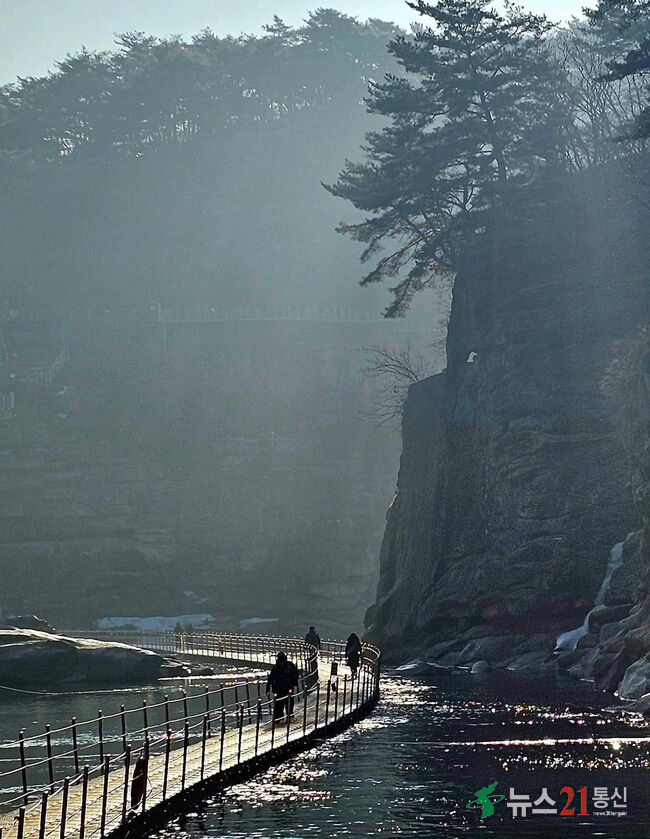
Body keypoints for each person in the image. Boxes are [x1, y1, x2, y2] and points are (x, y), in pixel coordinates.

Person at [266, 651, 298, 720]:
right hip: (281, 688)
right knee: (281, 704)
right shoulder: (278, 667)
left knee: (286, 703)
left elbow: (270, 678)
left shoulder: (286, 666)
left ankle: (286, 716)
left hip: (284, 688)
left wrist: (268, 688)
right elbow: (271, 678)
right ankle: (280, 717)